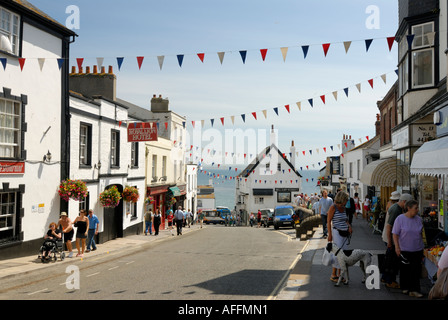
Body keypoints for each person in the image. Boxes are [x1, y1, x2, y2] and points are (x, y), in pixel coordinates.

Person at [392, 199, 424, 298]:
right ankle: (405, 287)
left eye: (417, 207)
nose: (417, 210)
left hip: (417, 248)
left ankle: (414, 290)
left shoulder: (419, 219)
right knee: (405, 269)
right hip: (404, 249)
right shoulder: (400, 219)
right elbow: (395, 234)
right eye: (416, 208)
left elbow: (421, 233)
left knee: (415, 270)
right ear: (408, 208)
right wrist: (397, 247)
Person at [381, 192, 412, 288]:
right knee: (392, 261)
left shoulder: (397, 208)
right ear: (404, 201)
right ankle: (390, 281)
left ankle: (385, 277)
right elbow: (389, 227)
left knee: (389, 260)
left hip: (391, 238)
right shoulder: (396, 210)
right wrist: (390, 242)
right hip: (391, 239)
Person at [327, 191, 351, 283]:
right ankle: (333, 274)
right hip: (337, 233)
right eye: (346, 199)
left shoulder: (343, 208)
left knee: (343, 255)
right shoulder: (333, 207)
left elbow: (345, 220)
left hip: (344, 233)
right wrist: (330, 235)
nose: (347, 201)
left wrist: (349, 226)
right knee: (337, 254)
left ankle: (339, 275)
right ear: (342, 199)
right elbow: (328, 222)